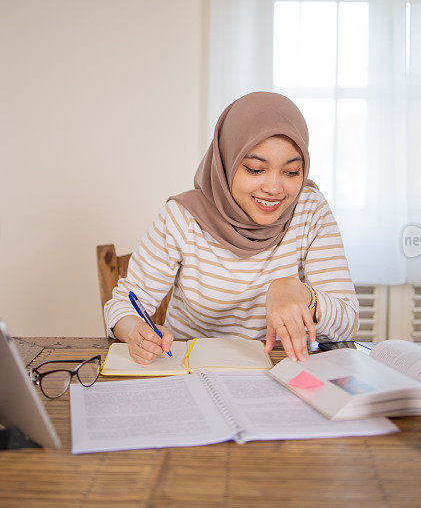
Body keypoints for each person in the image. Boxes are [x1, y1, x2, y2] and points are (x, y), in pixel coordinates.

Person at [104, 92, 359, 364]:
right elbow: (121, 305)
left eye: (292, 172)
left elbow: (348, 324)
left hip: (279, 373)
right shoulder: (181, 217)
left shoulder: (310, 210)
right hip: (193, 374)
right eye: (255, 169)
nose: (274, 188)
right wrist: (135, 332)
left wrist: (304, 295)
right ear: (225, 162)